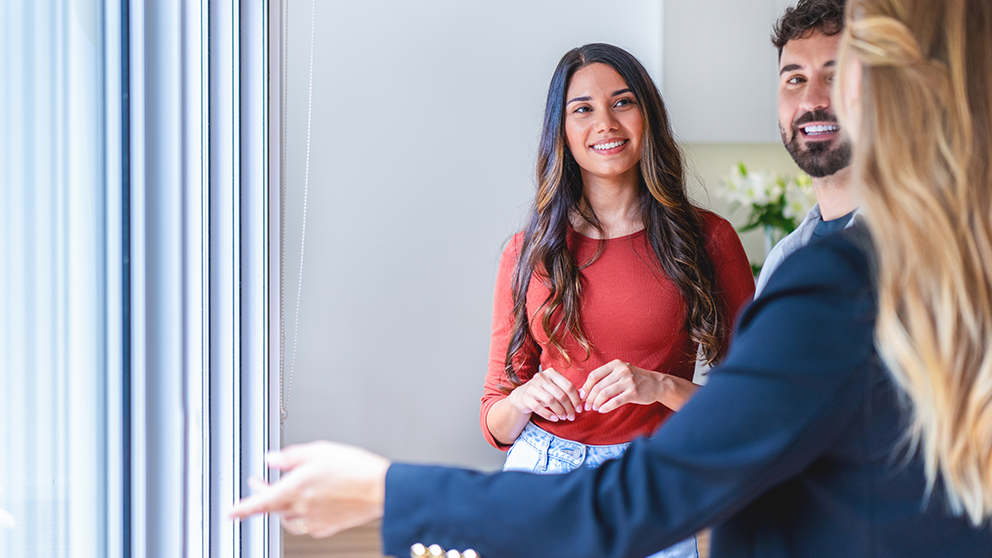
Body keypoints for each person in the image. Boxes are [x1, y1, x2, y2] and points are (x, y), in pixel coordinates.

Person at [229, 1, 992, 557]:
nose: (819, 93)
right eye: (796, 75)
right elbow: (500, 405)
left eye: (841, 67)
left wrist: (388, 492)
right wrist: (522, 406)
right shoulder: (927, 263)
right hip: (553, 471)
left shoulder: (829, 275)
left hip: (634, 485)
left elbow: (647, 495)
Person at [480, 43, 754, 558]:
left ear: (647, 115)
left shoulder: (709, 240)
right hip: (541, 475)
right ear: (561, 131)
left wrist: (659, 385)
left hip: (649, 479)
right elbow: (495, 414)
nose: (605, 122)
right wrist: (521, 399)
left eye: (622, 102)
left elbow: (747, 411)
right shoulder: (527, 252)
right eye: (582, 109)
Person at [755, 0, 858, 296]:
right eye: (795, 79)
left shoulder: (923, 250)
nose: (811, 100)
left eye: (835, 76)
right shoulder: (783, 260)